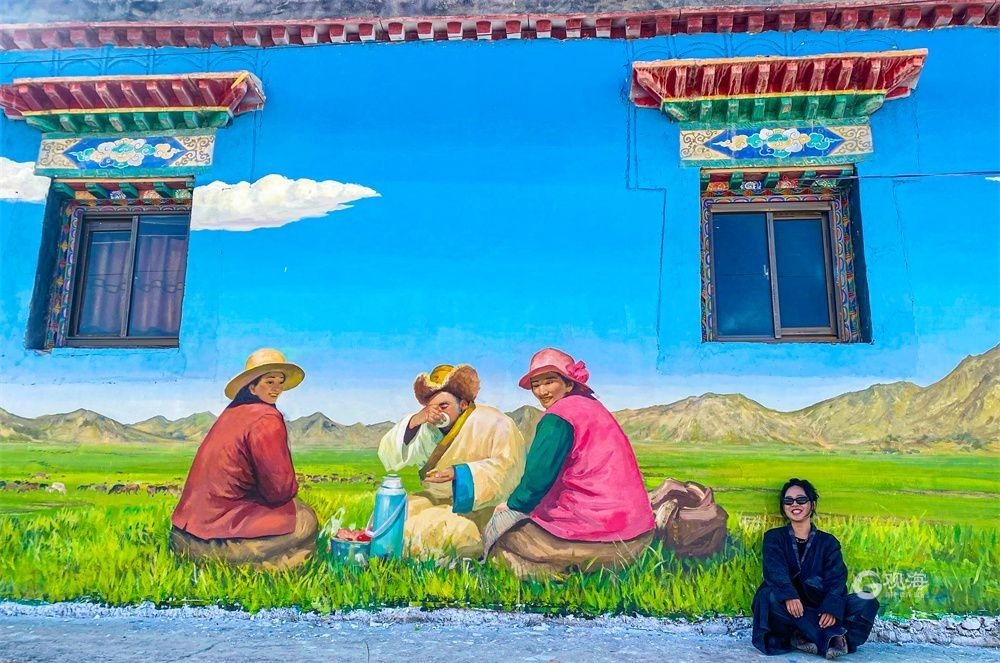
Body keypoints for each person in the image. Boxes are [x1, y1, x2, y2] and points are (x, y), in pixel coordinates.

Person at [487, 348, 655, 578]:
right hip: (638, 536)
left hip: (597, 538)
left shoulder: (558, 417)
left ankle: (555, 574)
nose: (542, 391)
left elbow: (536, 481)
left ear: (568, 384)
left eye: (549, 382)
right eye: (536, 385)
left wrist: (511, 506)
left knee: (502, 535)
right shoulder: (593, 407)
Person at [170, 348, 318, 570]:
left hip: (182, 536)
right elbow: (279, 491)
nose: (277, 388)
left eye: (280, 382)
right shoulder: (266, 419)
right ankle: (268, 566)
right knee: (305, 518)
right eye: (270, 382)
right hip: (217, 539)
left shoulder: (231, 414)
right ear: (252, 386)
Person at [377, 363, 526, 559]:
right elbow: (389, 456)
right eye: (431, 407)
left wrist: (459, 473)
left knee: (445, 532)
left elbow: (508, 468)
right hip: (437, 499)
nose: (437, 413)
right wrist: (415, 421)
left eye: (443, 406)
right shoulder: (428, 427)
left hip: (479, 508)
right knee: (391, 514)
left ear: (463, 404)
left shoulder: (495, 421)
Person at [751, 478, 879, 659]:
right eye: (788, 501)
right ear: (783, 506)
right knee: (768, 596)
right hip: (789, 610)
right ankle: (830, 638)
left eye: (801, 500)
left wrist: (831, 608)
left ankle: (804, 636)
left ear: (812, 504)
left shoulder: (828, 542)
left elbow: (836, 579)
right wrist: (789, 595)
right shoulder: (774, 538)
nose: (795, 504)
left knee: (867, 600)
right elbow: (774, 571)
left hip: (820, 607)